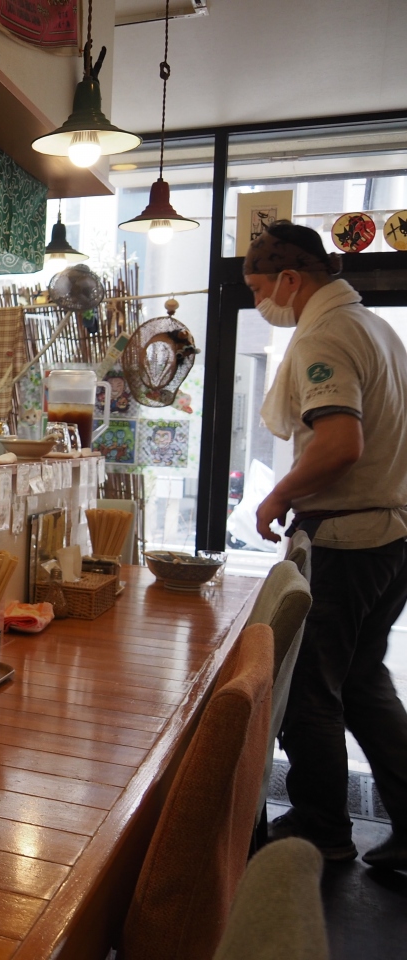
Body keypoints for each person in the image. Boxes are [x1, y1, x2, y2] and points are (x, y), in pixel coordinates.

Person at [246, 220, 407, 869]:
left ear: (289, 278)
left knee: (310, 688)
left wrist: (278, 495)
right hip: (391, 537)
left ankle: (322, 829)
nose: (261, 302)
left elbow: (341, 443)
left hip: (347, 538)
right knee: (362, 680)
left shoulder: (326, 333)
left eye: (259, 288)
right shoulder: (377, 328)